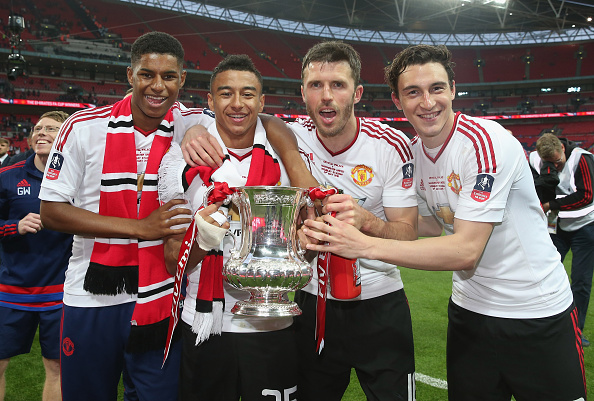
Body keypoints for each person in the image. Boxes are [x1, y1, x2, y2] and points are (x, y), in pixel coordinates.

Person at [302, 44, 587, 401]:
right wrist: (366, 219)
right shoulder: (415, 154)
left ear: (453, 89)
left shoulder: (486, 143)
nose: (427, 102)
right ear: (397, 101)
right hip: (468, 313)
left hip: (535, 311)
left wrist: (363, 244)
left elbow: (467, 250)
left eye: (436, 88)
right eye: (413, 92)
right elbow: (432, 225)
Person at [180, 41, 418, 401]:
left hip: (378, 300)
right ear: (302, 92)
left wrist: (368, 221)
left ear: (357, 93)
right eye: (316, 86)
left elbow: (407, 234)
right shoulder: (288, 135)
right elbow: (240, 112)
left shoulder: (389, 144)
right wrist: (193, 127)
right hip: (309, 302)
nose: (326, 96)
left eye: (337, 85)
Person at [38, 32, 214, 401]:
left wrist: (200, 125)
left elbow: (257, 125)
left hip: (160, 297)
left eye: (169, 77)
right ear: (130, 74)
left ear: (182, 80)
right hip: (91, 296)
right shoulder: (82, 127)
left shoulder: (191, 123)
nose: (158, 86)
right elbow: (51, 212)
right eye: (147, 74)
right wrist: (140, 228)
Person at [160, 54, 298, 401]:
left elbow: (306, 234)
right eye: (225, 93)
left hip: (272, 322)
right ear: (209, 101)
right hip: (206, 324)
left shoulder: (286, 153)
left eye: (248, 94)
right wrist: (203, 241)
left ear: (262, 102)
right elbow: (170, 258)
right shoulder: (179, 161)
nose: (237, 104)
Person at [0, 111, 72, 401]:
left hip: (60, 293)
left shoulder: (77, 179)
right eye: (38, 129)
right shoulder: (7, 177)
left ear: (66, 137)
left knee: (56, 366)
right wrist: (13, 227)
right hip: (10, 290)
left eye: (52, 129)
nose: (41, 132)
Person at [530, 133, 594, 347]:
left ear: (563, 150)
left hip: (585, 226)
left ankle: (576, 330)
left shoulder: (582, 158)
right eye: (550, 164)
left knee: (581, 280)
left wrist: (550, 205)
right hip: (556, 227)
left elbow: (586, 196)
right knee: (544, 275)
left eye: (557, 162)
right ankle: (545, 324)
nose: (555, 167)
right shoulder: (533, 160)